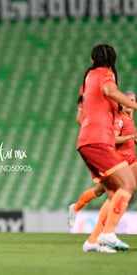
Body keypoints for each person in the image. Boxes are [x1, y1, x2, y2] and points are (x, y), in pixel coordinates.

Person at [76, 44, 137, 253]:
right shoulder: (106, 74)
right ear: (113, 60)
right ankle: (108, 233)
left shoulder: (88, 79)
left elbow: (80, 118)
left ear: (93, 60)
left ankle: (93, 241)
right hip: (99, 141)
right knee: (128, 184)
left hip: (86, 141)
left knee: (113, 192)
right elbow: (110, 91)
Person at [68, 91, 137, 229]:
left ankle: (103, 228)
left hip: (131, 161)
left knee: (112, 192)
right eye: (127, 100)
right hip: (118, 163)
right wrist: (131, 137)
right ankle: (76, 209)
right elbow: (113, 139)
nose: (130, 103)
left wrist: (133, 139)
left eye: (133, 100)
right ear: (122, 103)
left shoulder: (130, 118)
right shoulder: (119, 119)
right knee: (99, 191)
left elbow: (130, 140)